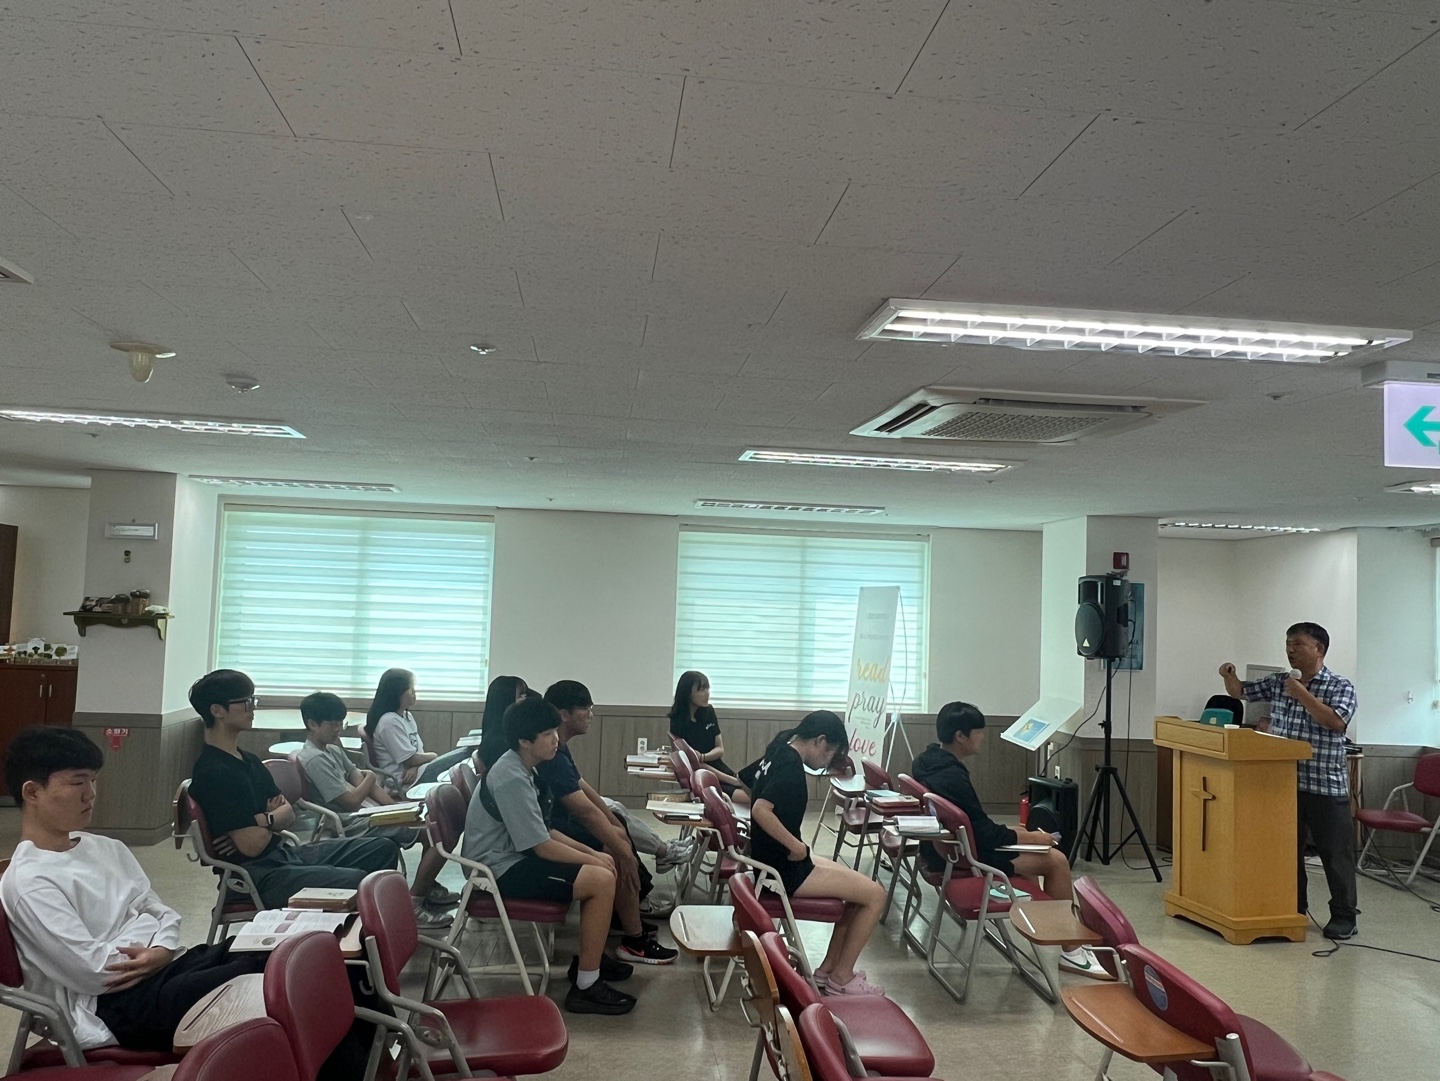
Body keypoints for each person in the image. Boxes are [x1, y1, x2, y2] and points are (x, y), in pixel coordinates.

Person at [0, 726, 271, 1052]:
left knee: (267, 951)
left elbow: (162, 912)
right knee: (257, 977)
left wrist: (161, 949)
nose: (90, 794)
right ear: (32, 792)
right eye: (77, 782)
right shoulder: (29, 882)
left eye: (93, 780)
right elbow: (96, 972)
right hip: (111, 1007)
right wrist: (150, 934)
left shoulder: (106, 847)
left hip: (162, 967)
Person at [462, 696, 636, 1015]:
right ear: (524, 741)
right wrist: (594, 861)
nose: (556, 740)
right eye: (547, 734)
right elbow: (541, 846)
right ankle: (587, 985)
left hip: (514, 856)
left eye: (555, 731)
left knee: (602, 863)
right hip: (497, 871)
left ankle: (590, 963)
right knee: (599, 879)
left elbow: (544, 830)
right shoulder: (511, 777)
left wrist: (592, 853)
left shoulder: (525, 766)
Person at [911, 702, 1100, 977]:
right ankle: (1072, 951)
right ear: (960, 736)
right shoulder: (952, 776)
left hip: (944, 851)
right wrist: (1032, 837)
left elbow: (975, 824)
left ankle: (1043, 926)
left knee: (1032, 848)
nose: (982, 737)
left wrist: (1023, 835)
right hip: (967, 857)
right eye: (978, 731)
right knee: (1056, 861)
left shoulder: (926, 761)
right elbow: (984, 834)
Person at [187, 669, 400, 908]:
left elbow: (288, 814)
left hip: (283, 854)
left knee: (382, 848)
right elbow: (253, 845)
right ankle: (362, 926)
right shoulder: (214, 772)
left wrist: (259, 820)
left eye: (253, 700)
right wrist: (270, 819)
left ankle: (373, 923)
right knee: (357, 880)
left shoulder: (248, 760)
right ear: (217, 711)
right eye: (246, 702)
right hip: (257, 876)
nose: (253, 708)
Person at [1220, 621, 1359, 939]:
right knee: (1286, 851)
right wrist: (1229, 676)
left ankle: (1344, 916)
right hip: (1283, 783)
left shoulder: (1340, 685)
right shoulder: (1278, 681)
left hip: (1325, 784)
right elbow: (1240, 692)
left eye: (1297, 644)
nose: (1290, 649)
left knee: (1335, 855)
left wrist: (1302, 694)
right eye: (1287, 643)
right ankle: (1293, 908)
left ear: (1319, 649)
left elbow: (1336, 722)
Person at [745, 710, 888, 997]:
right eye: (830, 753)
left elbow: (748, 783)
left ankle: (828, 971)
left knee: (859, 890)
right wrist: (796, 846)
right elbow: (761, 809)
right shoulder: (790, 764)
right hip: (783, 868)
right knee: (876, 895)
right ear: (820, 740)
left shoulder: (780, 745)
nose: (827, 761)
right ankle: (843, 978)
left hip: (769, 861)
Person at [538, 680, 677, 964]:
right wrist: (620, 845)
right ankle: (634, 941)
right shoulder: (550, 751)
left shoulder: (559, 745)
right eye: (585, 708)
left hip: (560, 823)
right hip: (554, 829)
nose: (591, 714)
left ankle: (622, 917)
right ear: (564, 713)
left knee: (619, 828)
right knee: (615, 850)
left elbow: (582, 786)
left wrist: (614, 823)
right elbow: (582, 811)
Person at [295, 691, 457, 929]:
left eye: (341, 723)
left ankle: (427, 885)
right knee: (435, 832)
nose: (338, 729)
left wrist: (396, 808)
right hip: (351, 823)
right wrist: (370, 777)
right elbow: (351, 801)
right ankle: (415, 900)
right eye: (332, 724)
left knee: (431, 821)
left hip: (365, 814)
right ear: (312, 724)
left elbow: (361, 781)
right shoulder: (314, 759)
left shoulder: (332, 749)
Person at [365, 668, 470, 794]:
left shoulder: (406, 716)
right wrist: (434, 755)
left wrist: (415, 766)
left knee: (464, 758)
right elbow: (411, 759)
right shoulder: (389, 722)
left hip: (417, 772)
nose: (414, 693)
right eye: (411, 689)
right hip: (403, 781)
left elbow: (416, 756)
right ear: (397, 693)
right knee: (466, 753)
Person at [667, 671, 749, 803]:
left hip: (720, 769)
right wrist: (732, 781)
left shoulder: (708, 711)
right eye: (702, 690)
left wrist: (702, 756)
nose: (707, 693)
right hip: (703, 777)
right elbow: (695, 764)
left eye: (708, 689)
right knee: (750, 799)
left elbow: (720, 749)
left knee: (757, 791)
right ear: (687, 692)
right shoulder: (678, 722)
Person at [478, 674, 529, 771]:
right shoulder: (501, 744)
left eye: (525, 695)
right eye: (520, 696)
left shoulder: (495, 736)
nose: (525, 700)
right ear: (506, 700)